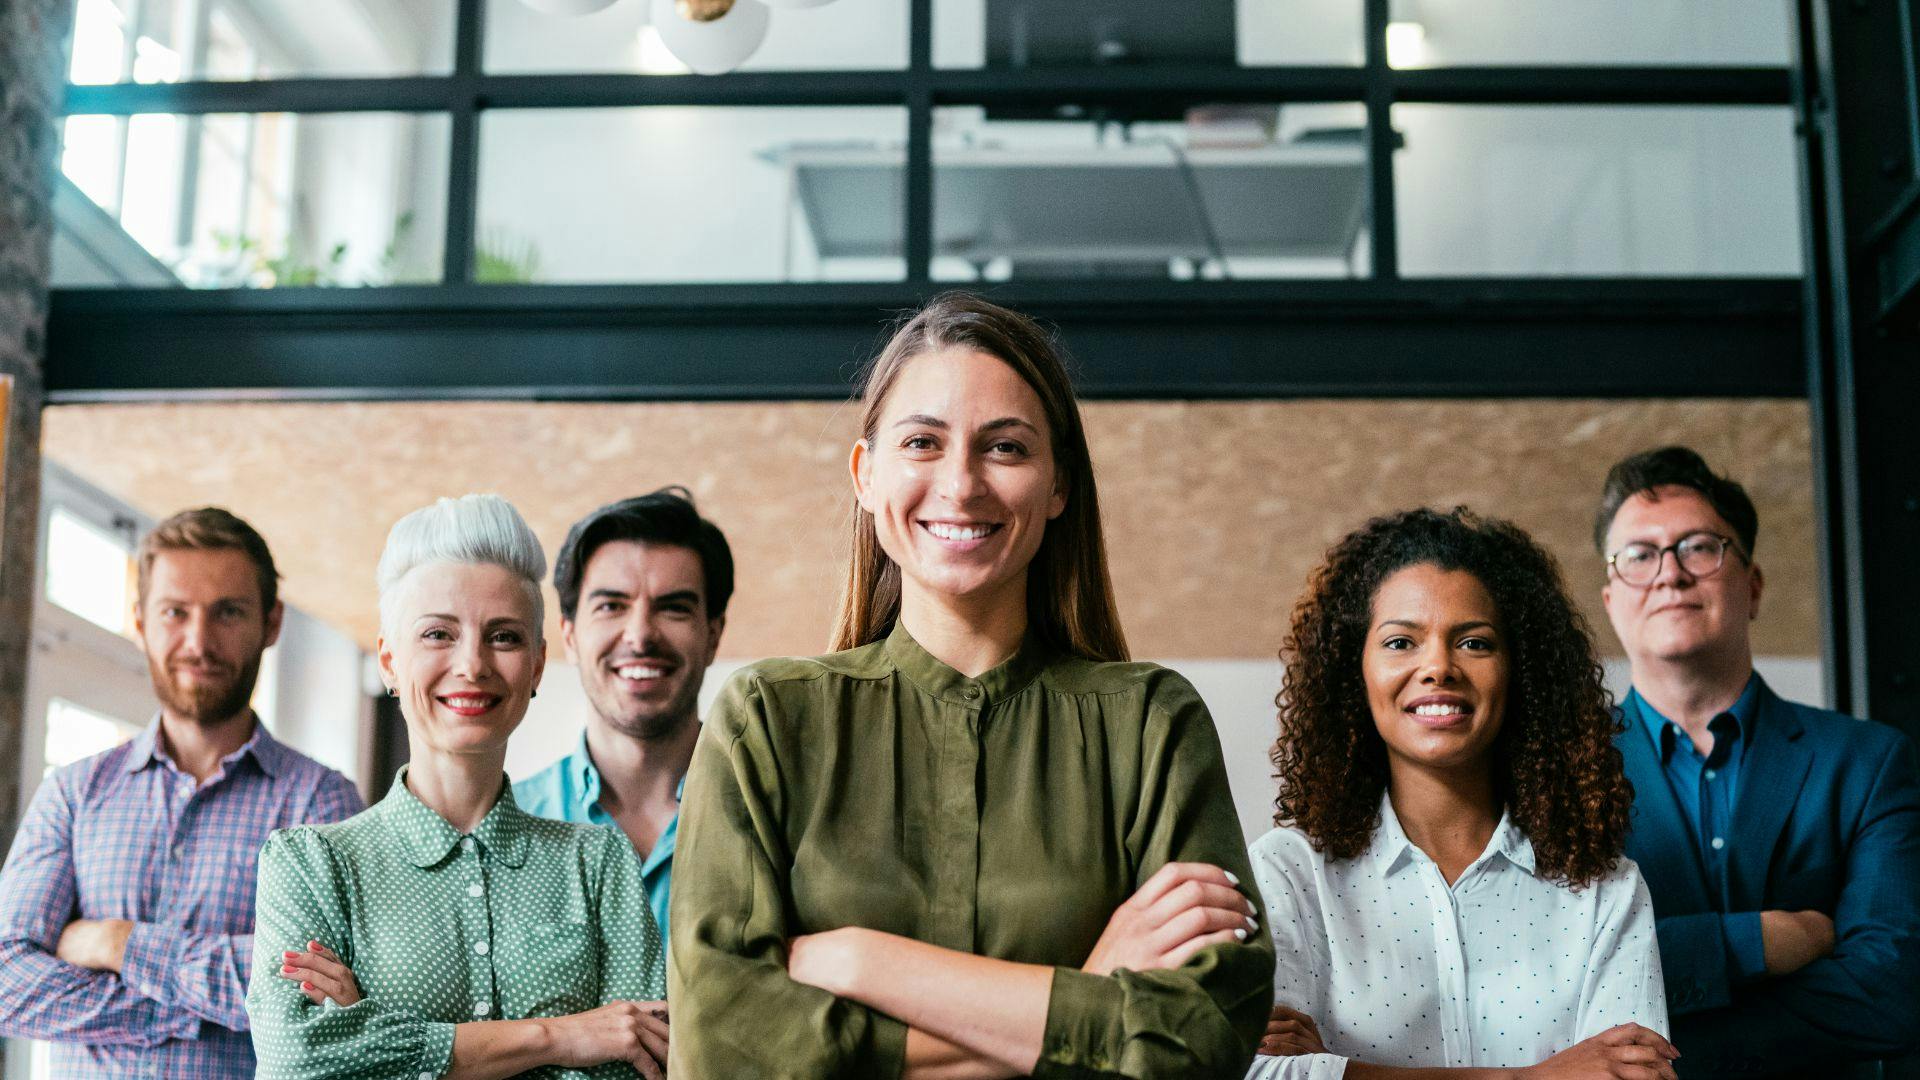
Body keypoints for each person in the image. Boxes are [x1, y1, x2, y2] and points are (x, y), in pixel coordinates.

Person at [669, 292, 1275, 1078]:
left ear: (1059, 484)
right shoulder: (766, 721)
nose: (960, 485)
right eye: (922, 442)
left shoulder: (1152, 723)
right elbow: (721, 1049)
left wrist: (859, 962)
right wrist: (1088, 993)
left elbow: (1203, 1042)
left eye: (1006, 449)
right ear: (866, 474)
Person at [246, 494, 670, 1080]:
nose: (472, 664)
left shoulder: (597, 862)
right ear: (391, 662)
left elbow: (640, 1066)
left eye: (504, 637)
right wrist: (562, 1037)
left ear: (538, 666)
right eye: (439, 634)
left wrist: (373, 1035)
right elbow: (297, 1059)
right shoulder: (313, 865)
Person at [1249, 507, 1674, 1080]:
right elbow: (1260, 1076)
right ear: (1356, 672)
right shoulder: (1291, 873)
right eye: (1401, 642)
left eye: (1474, 643)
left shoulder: (1606, 891)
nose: (1438, 667)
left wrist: (1341, 1069)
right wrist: (1535, 1077)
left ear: (1520, 671)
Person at [0, 507, 363, 1078]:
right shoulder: (72, 795)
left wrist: (119, 945)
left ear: (271, 624)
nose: (199, 642)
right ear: (141, 620)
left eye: (228, 613)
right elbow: (7, 984)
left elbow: (319, 993)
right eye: (175, 612)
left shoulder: (322, 804)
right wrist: (193, 1006)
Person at [1596, 446, 1920, 1077]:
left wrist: (1661, 1055)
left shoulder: (1869, 763)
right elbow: (1543, 972)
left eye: (1699, 547)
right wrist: (1757, 943)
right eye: (1639, 554)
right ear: (1611, 601)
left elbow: (1890, 994)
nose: (1669, 574)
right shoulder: (1550, 774)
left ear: (1753, 586)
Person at [515, 486, 733, 948]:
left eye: (673, 607)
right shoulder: (505, 821)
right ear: (569, 636)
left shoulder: (779, 820)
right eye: (611, 606)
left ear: (713, 635)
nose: (640, 635)